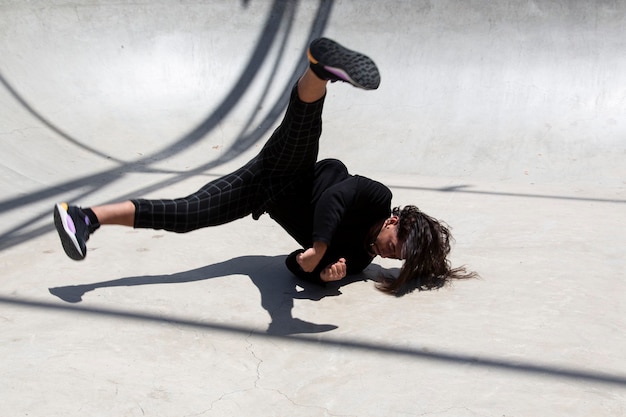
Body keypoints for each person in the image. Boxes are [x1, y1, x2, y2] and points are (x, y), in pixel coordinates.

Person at [54, 38, 476, 295]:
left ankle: (84, 217)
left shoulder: (358, 263)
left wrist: (317, 272)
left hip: (259, 193)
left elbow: (294, 265)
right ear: (395, 219)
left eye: (400, 257)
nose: (393, 251)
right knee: (302, 128)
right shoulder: (376, 198)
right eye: (399, 241)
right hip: (287, 170)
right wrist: (322, 247)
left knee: (185, 215)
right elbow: (335, 196)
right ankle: (321, 69)